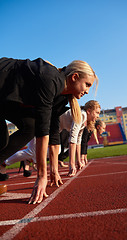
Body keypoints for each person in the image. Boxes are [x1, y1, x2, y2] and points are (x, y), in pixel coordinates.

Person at [0, 57, 98, 203]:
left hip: (5, 101)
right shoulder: (51, 80)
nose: (88, 91)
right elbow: (42, 131)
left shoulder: (62, 97)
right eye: (87, 85)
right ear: (75, 77)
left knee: (29, 128)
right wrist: (41, 176)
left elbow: (52, 132)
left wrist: (54, 170)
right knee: (2, 139)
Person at [49, 100, 101, 185]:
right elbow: (72, 140)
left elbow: (78, 140)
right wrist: (72, 165)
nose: (98, 116)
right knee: (35, 151)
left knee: (53, 151)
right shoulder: (81, 115)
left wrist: (79, 160)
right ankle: (30, 163)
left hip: (57, 128)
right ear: (89, 111)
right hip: (52, 121)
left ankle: (48, 169)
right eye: (97, 113)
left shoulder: (85, 120)